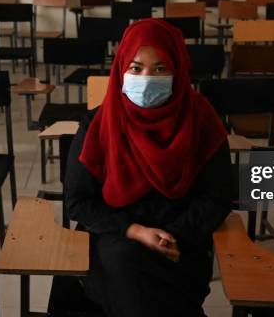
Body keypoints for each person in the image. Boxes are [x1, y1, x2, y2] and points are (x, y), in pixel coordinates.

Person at [64, 18, 233, 317]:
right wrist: (136, 231)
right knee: (124, 264)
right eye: (136, 68)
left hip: (182, 243)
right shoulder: (97, 124)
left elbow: (218, 196)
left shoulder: (202, 121)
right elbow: (78, 202)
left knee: (136, 282)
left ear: (178, 71)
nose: (146, 78)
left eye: (160, 68)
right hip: (116, 236)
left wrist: (168, 235)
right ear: (120, 70)